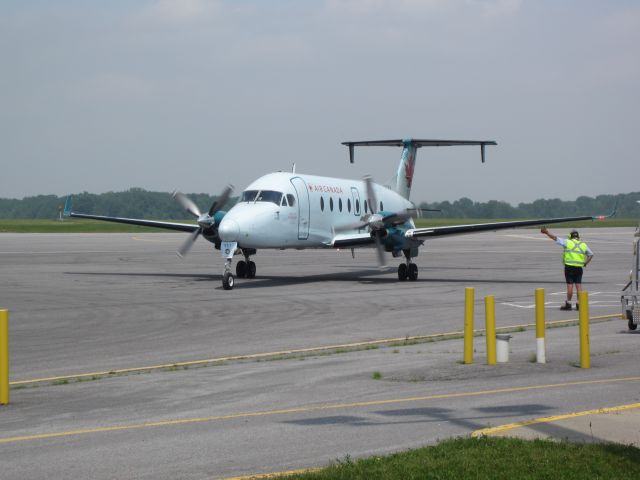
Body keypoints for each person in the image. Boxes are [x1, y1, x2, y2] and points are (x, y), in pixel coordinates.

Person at [540, 227, 594, 310]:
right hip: (579, 268)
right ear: (578, 237)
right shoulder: (583, 244)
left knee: (570, 285)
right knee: (578, 285)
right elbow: (591, 254)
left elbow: (555, 238)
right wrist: (585, 263)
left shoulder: (567, 242)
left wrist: (547, 232)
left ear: (570, 236)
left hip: (569, 267)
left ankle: (568, 303)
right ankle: (579, 303)